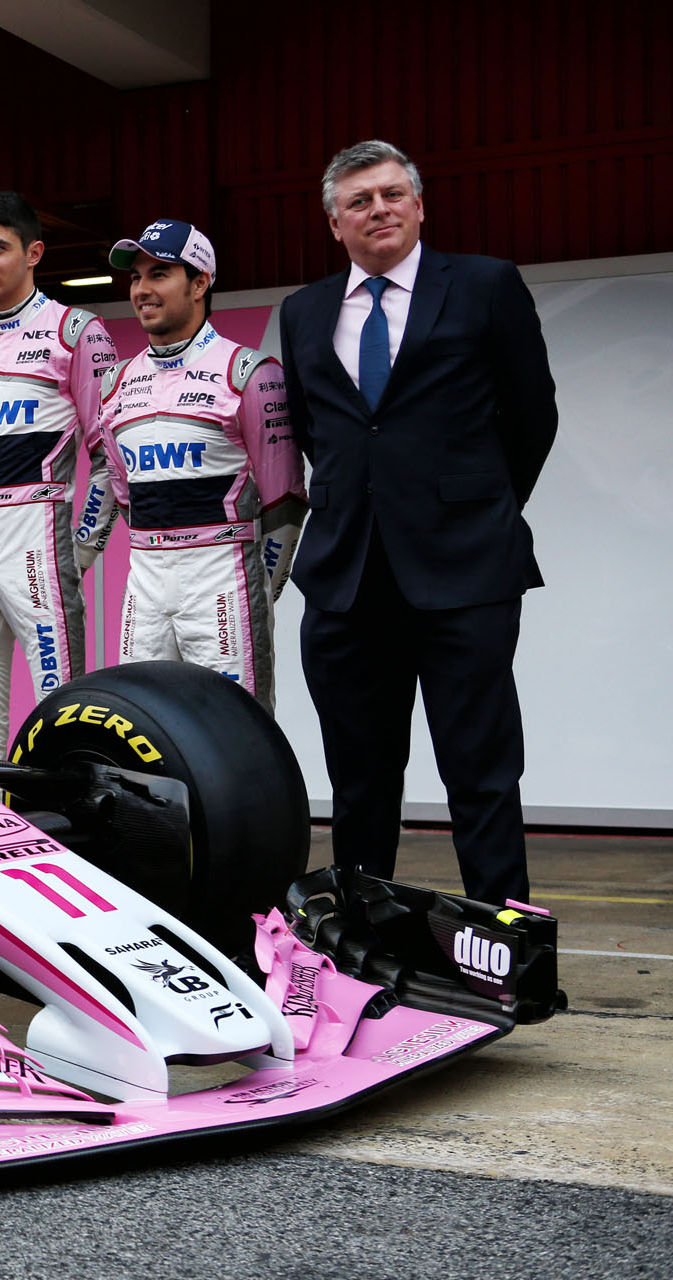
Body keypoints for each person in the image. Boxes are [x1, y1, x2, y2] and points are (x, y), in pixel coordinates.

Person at [277, 140, 557, 906]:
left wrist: (472, 508)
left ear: (420, 204)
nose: (380, 210)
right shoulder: (302, 310)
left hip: (465, 570)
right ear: (336, 223)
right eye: (360, 201)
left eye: (393, 194)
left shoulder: (484, 284)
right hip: (346, 577)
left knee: (481, 771)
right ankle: (365, 941)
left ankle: (502, 945)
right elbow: (317, 429)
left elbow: (532, 416)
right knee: (360, 780)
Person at [75, 220, 306, 710]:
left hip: (224, 576)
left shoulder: (250, 372)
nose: (142, 289)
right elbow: (122, 492)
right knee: (145, 720)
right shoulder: (116, 382)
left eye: (159, 274)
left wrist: (263, 589)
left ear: (200, 283)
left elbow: (285, 500)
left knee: (235, 728)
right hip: (146, 578)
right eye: (136, 277)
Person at [0, 193, 118, 762]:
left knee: (60, 706)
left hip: (36, 533)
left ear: (33, 252)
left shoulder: (76, 330)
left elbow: (109, 455)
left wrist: (83, 546)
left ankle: (63, 832)